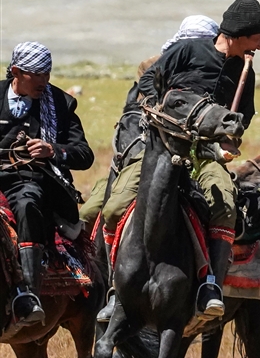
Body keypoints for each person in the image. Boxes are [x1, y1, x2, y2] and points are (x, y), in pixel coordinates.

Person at [100, 0, 260, 322]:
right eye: (257, 37)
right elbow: (149, 81)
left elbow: (242, 115)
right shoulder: (189, 50)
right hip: (160, 146)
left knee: (226, 207)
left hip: (206, 155)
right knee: (113, 207)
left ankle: (210, 288)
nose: (259, 45)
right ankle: (114, 291)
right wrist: (157, 110)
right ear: (238, 33)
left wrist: (231, 135)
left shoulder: (244, 70)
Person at [79, 15, 219, 235]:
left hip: (203, 157)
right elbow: (138, 116)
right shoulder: (153, 66)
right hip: (151, 153)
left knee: (227, 211)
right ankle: (94, 264)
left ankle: (218, 267)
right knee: (94, 212)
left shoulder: (223, 69)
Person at [0, 42, 93, 326]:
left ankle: (26, 294)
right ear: (16, 71)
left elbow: (85, 155)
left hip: (29, 181)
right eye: (36, 74)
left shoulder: (61, 103)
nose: (44, 81)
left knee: (29, 203)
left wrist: (54, 150)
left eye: (47, 73)